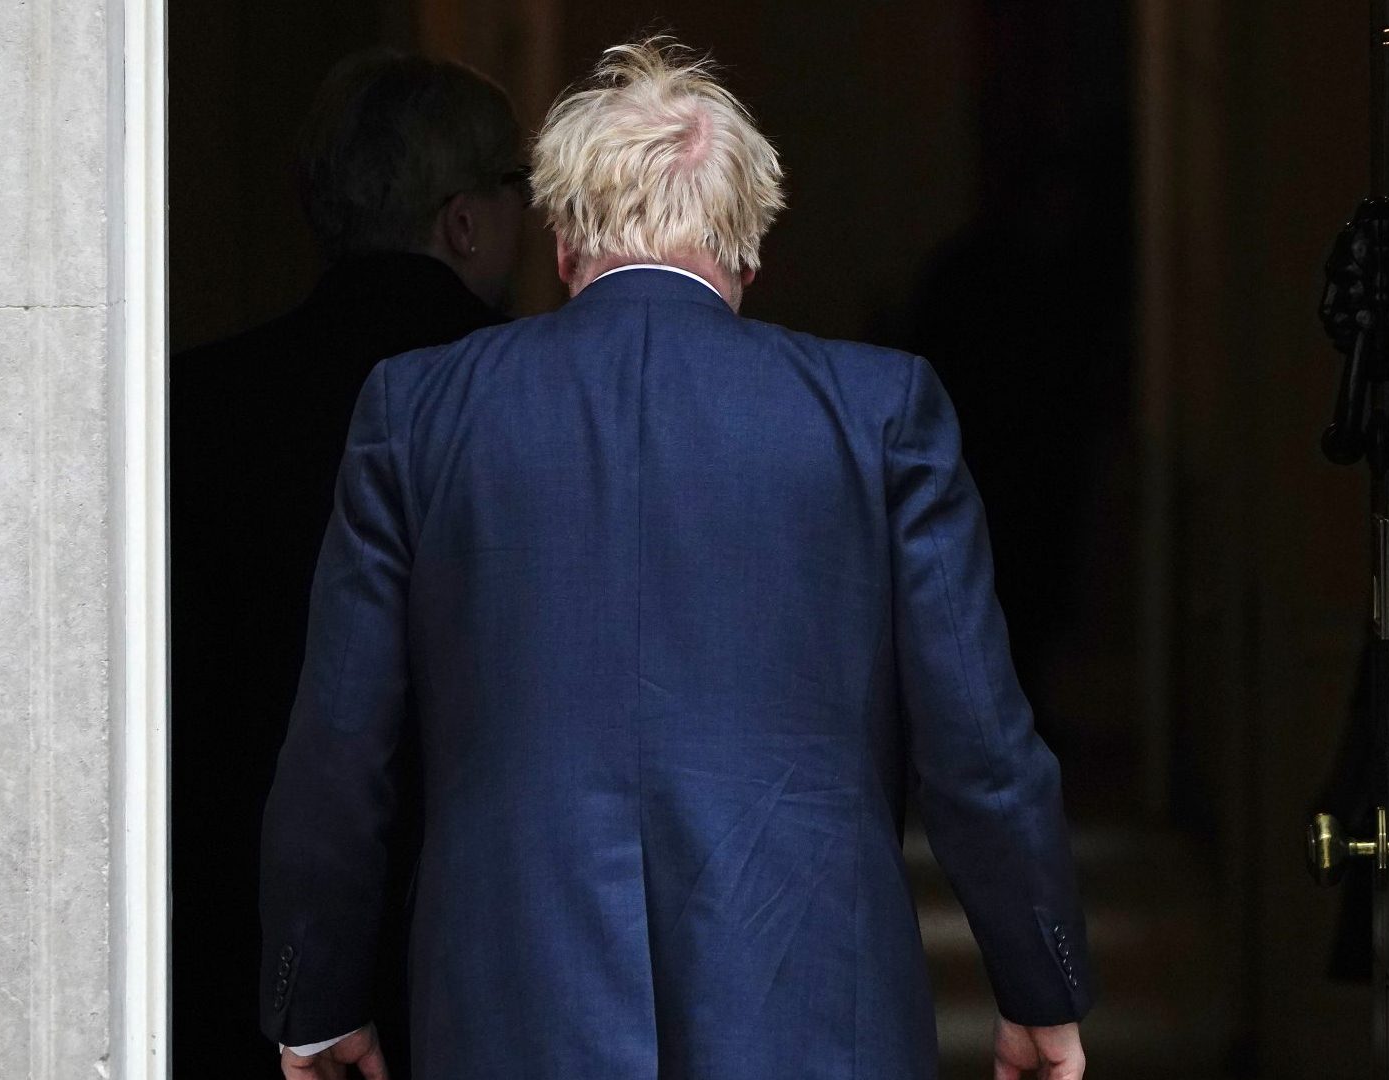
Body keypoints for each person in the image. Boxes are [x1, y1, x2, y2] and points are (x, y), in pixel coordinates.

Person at [258, 38, 1095, 1080]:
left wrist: (318, 997)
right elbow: (978, 744)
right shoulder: (880, 412)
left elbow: (340, 745)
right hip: (813, 1008)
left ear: (562, 240)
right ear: (749, 249)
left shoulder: (415, 411)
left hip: (514, 1008)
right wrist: (1038, 989)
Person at [168, 50, 524, 1080]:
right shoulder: (537, 411)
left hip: (239, 938)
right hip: (482, 943)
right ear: (463, 220)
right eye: (519, 190)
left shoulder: (196, 405)